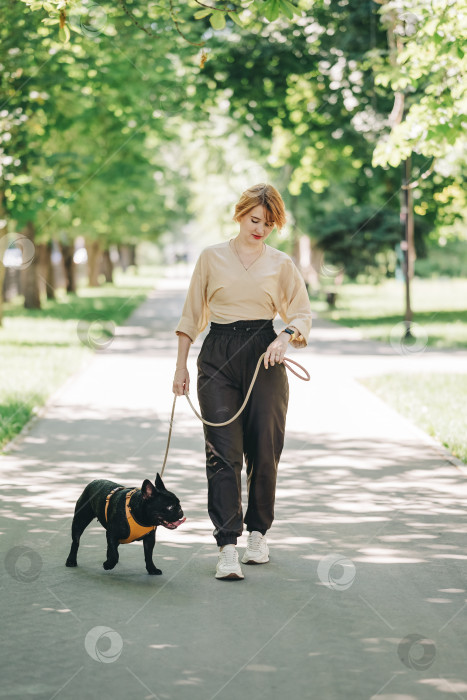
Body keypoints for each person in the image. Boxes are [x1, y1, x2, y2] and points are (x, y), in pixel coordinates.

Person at [172, 183, 312, 580]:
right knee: (223, 453)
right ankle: (227, 545)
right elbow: (190, 317)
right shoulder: (211, 257)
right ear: (240, 214)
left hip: (264, 354)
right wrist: (181, 368)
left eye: (268, 223)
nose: (260, 229)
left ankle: (257, 534)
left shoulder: (281, 263)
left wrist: (284, 338)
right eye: (255, 220)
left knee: (264, 450)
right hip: (218, 354)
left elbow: (301, 313)